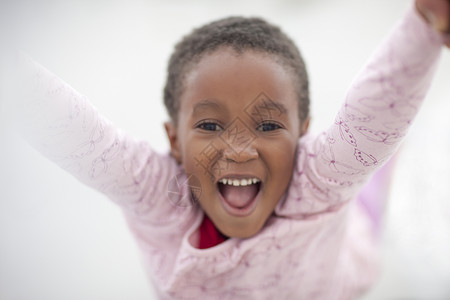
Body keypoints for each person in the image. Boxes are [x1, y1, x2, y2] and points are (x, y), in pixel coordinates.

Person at [8, 0, 449, 298]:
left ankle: (378, 179)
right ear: (175, 140)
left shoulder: (312, 180)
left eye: (270, 124)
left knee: (364, 177)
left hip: (346, 269)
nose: (238, 150)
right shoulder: (160, 195)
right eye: (210, 124)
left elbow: (367, 123)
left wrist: (425, 26)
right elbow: (79, 136)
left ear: (302, 135)